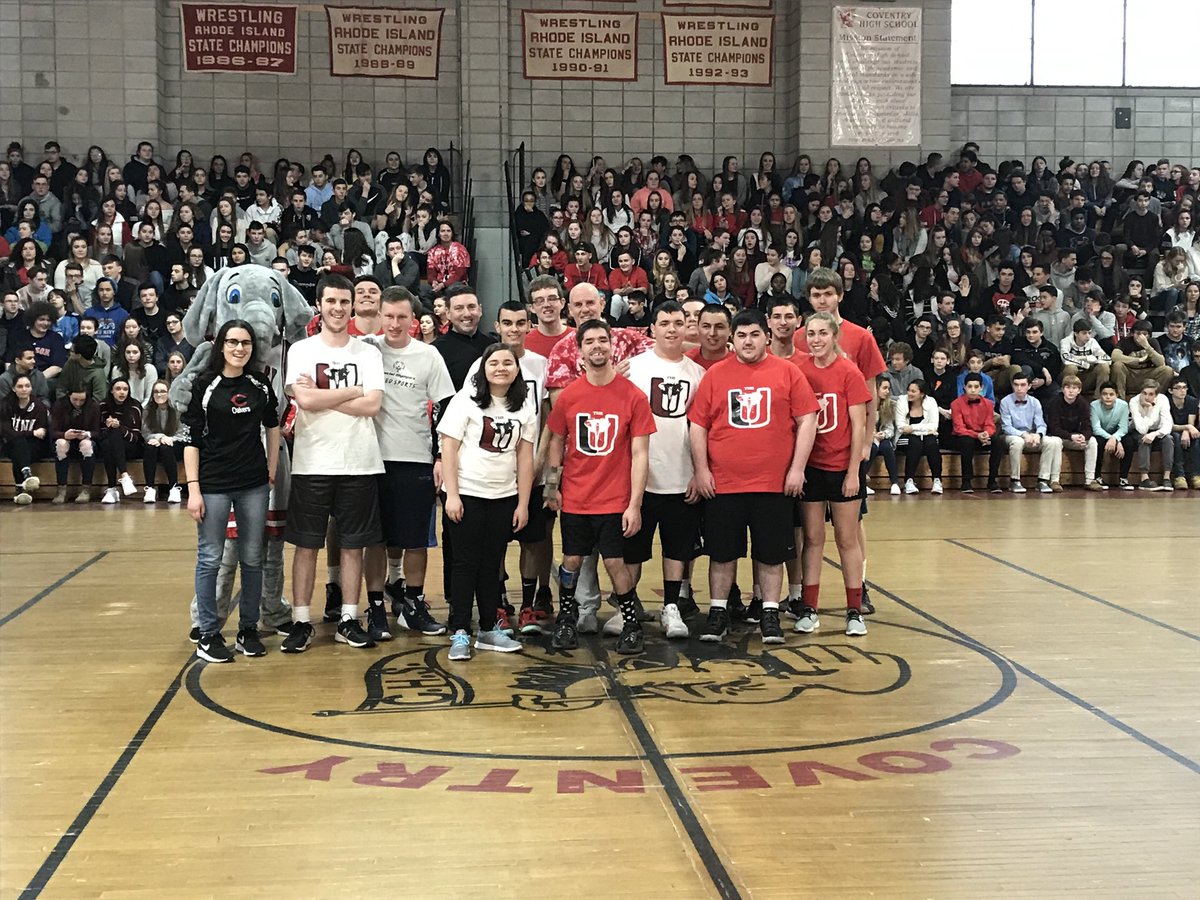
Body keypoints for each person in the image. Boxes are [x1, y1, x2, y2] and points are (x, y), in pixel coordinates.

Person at [689, 308, 818, 645]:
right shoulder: (716, 375)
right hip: (723, 484)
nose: (748, 341)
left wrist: (797, 468)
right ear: (733, 338)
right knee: (721, 553)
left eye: (755, 334)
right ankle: (717, 612)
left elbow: (808, 420)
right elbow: (698, 425)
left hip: (772, 484)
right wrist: (701, 469)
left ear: (767, 337)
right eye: (742, 335)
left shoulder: (788, 373)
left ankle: (770, 613)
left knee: (772, 553)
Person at [281, 274, 385, 653]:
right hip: (312, 462)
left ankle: (347, 617)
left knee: (353, 546)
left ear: (353, 305)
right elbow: (303, 403)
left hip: (359, 461)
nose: (339, 308)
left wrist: (321, 394)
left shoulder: (369, 352)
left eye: (345, 301)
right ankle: (301, 621)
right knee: (306, 546)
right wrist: (353, 391)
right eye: (332, 302)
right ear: (320, 306)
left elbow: (372, 406)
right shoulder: (301, 350)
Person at [545, 319, 655, 654]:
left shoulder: (633, 396)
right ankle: (567, 619)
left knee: (614, 563)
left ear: (612, 346)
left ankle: (631, 624)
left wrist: (635, 504)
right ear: (580, 350)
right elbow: (556, 440)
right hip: (577, 497)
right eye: (589, 341)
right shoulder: (569, 396)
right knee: (572, 560)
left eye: (602, 340)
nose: (597, 346)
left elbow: (640, 453)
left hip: (614, 499)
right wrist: (552, 485)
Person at [182, 320, 280, 663]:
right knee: (210, 558)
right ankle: (208, 633)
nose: (240, 348)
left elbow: (272, 425)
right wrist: (193, 489)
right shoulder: (205, 384)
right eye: (233, 342)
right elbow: (192, 440)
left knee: (253, 558)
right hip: (213, 484)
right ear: (221, 345)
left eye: (246, 343)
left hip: (253, 483)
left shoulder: (260, 384)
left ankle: (247, 629)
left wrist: (271, 468)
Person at [360, 288, 456, 641]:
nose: (395, 323)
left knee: (416, 539)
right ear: (380, 316)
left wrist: (440, 455)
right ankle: (375, 608)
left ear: (413, 320)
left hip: (415, 457)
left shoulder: (428, 355)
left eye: (402, 317)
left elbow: (445, 406)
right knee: (376, 539)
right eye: (389, 316)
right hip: (372, 458)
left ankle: (413, 605)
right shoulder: (366, 349)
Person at [438, 343, 536, 660]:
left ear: (517, 370)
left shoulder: (524, 406)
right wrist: (451, 495)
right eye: (493, 362)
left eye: (508, 362)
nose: (501, 368)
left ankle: (489, 629)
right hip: (468, 492)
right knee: (465, 563)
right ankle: (460, 630)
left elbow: (525, 457)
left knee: (492, 565)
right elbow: (448, 449)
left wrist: (522, 503)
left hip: (503, 496)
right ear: (483, 369)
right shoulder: (465, 401)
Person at [620, 302, 707, 641]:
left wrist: (698, 473)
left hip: (681, 476)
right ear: (651, 329)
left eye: (678, 323)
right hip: (639, 480)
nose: (672, 329)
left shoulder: (698, 374)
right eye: (665, 323)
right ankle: (625, 606)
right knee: (633, 548)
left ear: (687, 328)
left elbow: (703, 430)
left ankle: (671, 607)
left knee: (677, 548)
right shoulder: (632, 369)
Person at [792, 311, 872, 636]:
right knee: (812, 539)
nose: (816, 340)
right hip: (812, 467)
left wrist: (853, 471)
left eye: (822, 333)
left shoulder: (848, 372)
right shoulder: (800, 371)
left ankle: (854, 611)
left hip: (842, 468)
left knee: (846, 539)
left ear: (834, 335)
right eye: (811, 334)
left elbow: (858, 425)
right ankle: (809, 608)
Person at [999, 371, 1063, 493]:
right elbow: (1006, 427)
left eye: (1022, 385)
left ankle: (1042, 480)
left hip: (1031, 435)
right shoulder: (1005, 402)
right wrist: (1023, 434)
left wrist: (1038, 435)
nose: (1019, 388)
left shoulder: (1035, 402)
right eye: (1016, 385)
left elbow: (1041, 424)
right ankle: (1015, 480)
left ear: (1029, 386)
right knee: (1017, 442)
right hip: (1012, 435)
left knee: (1050, 442)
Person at [951, 373, 1005, 492]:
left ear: (981, 388)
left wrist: (986, 434)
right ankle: (966, 481)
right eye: (970, 386)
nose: (973, 390)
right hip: (964, 437)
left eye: (976, 387)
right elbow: (959, 428)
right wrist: (977, 435)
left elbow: (990, 424)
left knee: (998, 441)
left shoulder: (988, 404)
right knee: (966, 441)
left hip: (982, 436)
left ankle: (992, 480)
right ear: (964, 387)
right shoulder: (956, 404)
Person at [2, 372, 49, 505]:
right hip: (10, 444)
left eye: (27, 386)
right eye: (20, 386)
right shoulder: (6, 405)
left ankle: (20, 489)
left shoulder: (39, 406)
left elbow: (42, 434)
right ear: (13, 388)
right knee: (18, 444)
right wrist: (31, 432)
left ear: (31, 388)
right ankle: (26, 478)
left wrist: (26, 434)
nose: (24, 389)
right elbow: (6, 433)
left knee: (20, 447)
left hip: (34, 447)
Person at [50, 387, 101, 503]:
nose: (78, 403)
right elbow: (52, 432)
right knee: (61, 444)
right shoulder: (60, 405)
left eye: (82, 400)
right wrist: (65, 435)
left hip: (86, 442)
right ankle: (61, 490)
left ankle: (86, 489)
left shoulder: (93, 406)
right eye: (75, 399)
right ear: (69, 396)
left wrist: (87, 434)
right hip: (66, 440)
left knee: (87, 445)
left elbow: (98, 432)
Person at [1046, 374, 1097, 490]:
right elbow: (1053, 428)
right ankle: (1054, 480)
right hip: (1061, 437)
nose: (1071, 391)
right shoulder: (1055, 403)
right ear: (1063, 389)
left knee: (1092, 441)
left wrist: (1083, 437)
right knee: (1056, 442)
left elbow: (1088, 427)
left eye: (1074, 388)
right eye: (1068, 387)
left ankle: (1090, 480)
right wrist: (1070, 436)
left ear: (1079, 390)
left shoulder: (1083, 404)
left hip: (1076, 438)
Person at [896, 379, 943, 494]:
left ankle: (937, 480)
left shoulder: (931, 402)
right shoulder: (902, 401)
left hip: (923, 435)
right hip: (903, 437)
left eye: (913, 391)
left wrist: (912, 428)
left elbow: (934, 426)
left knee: (932, 443)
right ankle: (909, 481)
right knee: (915, 443)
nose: (909, 393)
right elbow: (901, 427)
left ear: (922, 394)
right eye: (908, 390)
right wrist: (923, 429)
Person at [141, 379, 183, 503]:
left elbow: (182, 433)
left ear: (169, 393)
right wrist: (159, 437)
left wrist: (169, 439)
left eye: (163, 391)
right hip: (155, 443)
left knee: (166, 447)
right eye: (156, 392)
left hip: (175, 444)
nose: (159, 395)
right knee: (150, 447)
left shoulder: (177, 409)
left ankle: (174, 487)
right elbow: (145, 432)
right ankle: (150, 488)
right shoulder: (147, 410)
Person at [1089, 382, 1136, 490]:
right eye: (1105, 394)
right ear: (1100, 396)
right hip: (1101, 434)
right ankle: (1097, 477)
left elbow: (1123, 427)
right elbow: (1096, 428)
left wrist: (1115, 439)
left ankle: (1123, 479)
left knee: (1129, 442)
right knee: (1097, 443)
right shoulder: (1094, 405)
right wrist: (1111, 438)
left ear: (1116, 395)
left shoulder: (1123, 405)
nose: (1108, 397)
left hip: (1117, 434)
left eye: (1111, 394)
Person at [1129, 380, 1174, 490]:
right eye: (1144, 393)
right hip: (1138, 431)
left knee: (1168, 439)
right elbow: (1141, 429)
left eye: (1151, 394)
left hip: (1157, 431)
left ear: (1156, 395)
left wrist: (1155, 434)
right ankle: (1144, 479)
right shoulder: (1134, 401)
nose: (1147, 397)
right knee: (1144, 439)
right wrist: (1149, 410)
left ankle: (1166, 478)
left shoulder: (1163, 399)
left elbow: (1168, 424)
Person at [1111, 320, 1175, 397]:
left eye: (1144, 334)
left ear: (1149, 335)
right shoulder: (1125, 341)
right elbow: (1114, 356)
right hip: (1130, 374)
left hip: (1147, 374)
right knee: (1118, 365)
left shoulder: (1153, 342)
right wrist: (1136, 360)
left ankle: (1155, 398)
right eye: (1138, 334)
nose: (1141, 337)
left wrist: (1147, 346)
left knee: (1167, 370)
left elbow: (1161, 363)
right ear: (1132, 333)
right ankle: (1120, 400)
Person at [1165, 376, 1200, 490]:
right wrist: (1187, 427)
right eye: (1178, 388)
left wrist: (1187, 429)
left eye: (1185, 387)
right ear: (1171, 391)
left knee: (1196, 437)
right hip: (1169, 431)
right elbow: (1168, 426)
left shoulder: (1191, 401)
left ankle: (1196, 475)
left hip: (1185, 429)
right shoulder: (1166, 402)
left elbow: (1191, 423)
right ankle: (1179, 476)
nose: (1182, 390)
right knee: (1175, 437)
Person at [1060, 319, 1112, 395]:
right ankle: (1070, 395)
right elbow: (1066, 359)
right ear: (1076, 333)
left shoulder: (1092, 342)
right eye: (1084, 333)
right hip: (1073, 376)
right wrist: (1085, 364)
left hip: (1088, 376)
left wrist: (1086, 358)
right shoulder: (1066, 341)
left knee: (1104, 366)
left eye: (1089, 333)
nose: (1088, 336)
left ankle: (1099, 397)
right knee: (1071, 367)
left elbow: (1108, 359)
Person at [869, 377, 901, 494]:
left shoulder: (889, 405)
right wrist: (872, 435)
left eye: (888, 388)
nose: (887, 391)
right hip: (867, 438)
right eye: (884, 388)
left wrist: (884, 434)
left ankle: (894, 483)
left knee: (887, 447)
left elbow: (890, 428)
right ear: (875, 389)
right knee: (871, 448)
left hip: (881, 437)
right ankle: (862, 481)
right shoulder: (866, 404)